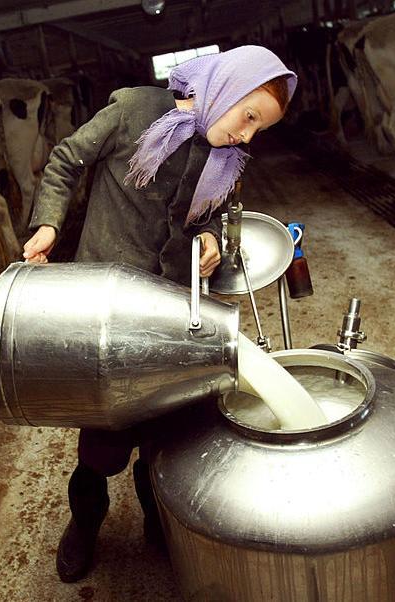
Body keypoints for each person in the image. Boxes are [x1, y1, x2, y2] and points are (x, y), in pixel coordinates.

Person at [21, 45, 296, 583]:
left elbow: (214, 213)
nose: (246, 136)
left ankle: (159, 525)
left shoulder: (224, 156)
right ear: (226, 88)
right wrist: (49, 224)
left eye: (258, 129)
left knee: (165, 435)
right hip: (107, 308)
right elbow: (65, 161)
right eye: (248, 117)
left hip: (171, 307)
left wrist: (210, 238)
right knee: (102, 443)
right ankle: (84, 525)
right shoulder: (133, 110)